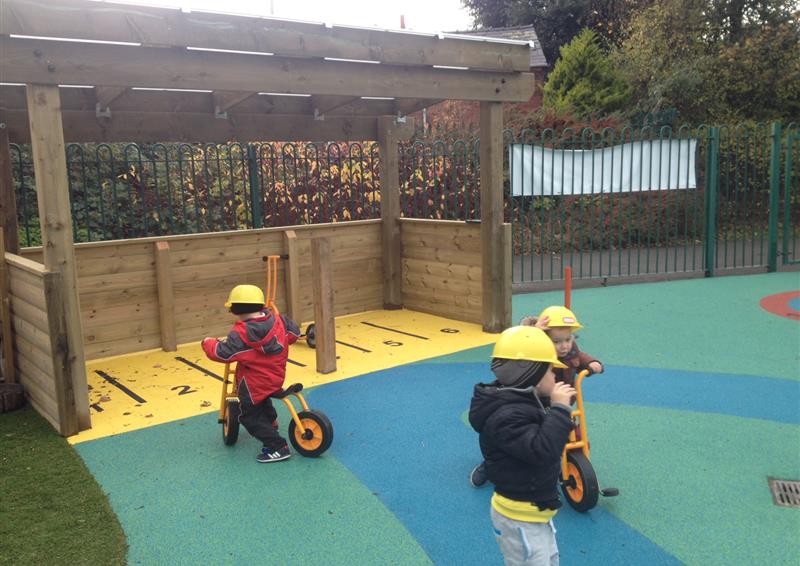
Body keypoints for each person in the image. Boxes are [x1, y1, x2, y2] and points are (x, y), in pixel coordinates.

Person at [469, 326, 575, 566]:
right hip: (519, 516)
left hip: (535, 509)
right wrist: (560, 410)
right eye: (550, 371)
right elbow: (543, 450)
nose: (555, 377)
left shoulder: (525, 398)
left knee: (550, 560)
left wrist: (558, 406)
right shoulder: (506, 416)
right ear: (531, 376)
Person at [470, 306, 602, 488]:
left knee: (575, 436)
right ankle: (490, 466)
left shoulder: (571, 351)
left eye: (568, 339)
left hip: (561, 403)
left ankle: (573, 463)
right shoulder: (534, 354)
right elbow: (519, 346)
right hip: (533, 405)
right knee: (516, 444)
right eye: (556, 341)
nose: (564, 346)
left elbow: (579, 356)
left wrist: (592, 363)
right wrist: (534, 333)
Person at [202, 284, 301, 463]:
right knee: (262, 400)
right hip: (276, 377)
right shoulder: (279, 321)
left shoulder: (241, 334)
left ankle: (277, 446)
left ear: (234, 309)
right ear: (261, 305)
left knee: (248, 415)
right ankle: (270, 424)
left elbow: (222, 353)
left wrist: (208, 343)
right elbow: (294, 334)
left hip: (253, 383)